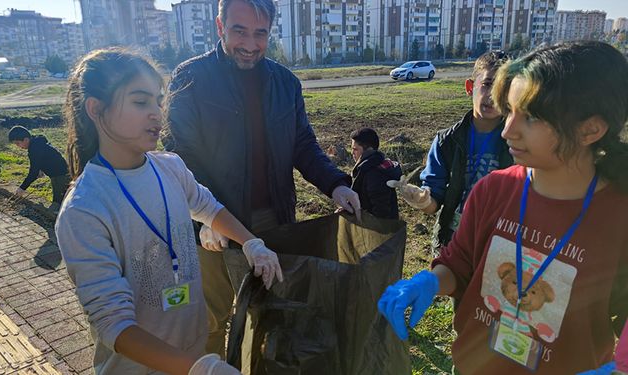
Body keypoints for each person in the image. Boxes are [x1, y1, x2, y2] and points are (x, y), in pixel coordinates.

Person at [378, 41, 628, 374]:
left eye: (533, 117)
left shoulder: (617, 214)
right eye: (510, 110)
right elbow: (461, 261)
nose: (508, 129)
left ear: (590, 129)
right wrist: (430, 282)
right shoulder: (493, 190)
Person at [55, 48, 284, 374]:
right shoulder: (85, 209)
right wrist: (201, 369)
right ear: (96, 109)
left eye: (158, 102)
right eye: (139, 101)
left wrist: (251, 243)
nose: (155, 113)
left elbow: (208, 207)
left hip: (190, 354)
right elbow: (113, 324)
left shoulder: (170, 167)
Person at [165, 0, 361, 357]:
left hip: (274, 221)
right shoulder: (189, 79)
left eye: (261, 34)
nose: (251, 44)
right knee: (211, 318)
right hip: (210, 228)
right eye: (240, 30)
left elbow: (303, 144)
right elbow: (181, 155)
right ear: (220, 26)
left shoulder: (285, 82)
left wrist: (336, 184)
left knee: (268, 311)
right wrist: (205, 218)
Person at [393, 51, 513, 252]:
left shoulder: (519, 142)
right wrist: (422, 200)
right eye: (487, 84)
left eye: (503, 88)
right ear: (470, 87)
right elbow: (434, 202)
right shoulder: (446, 141)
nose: (493, 95)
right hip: (452, 241)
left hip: (499, 244)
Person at [8, 125, 70, 213]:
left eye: (18, 143)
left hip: (61, 176)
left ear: (26, 140)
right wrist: (41, 169)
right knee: (62, 200)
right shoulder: (37, 143)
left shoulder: (35, 149)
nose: (18, 146)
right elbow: (44, 159)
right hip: (60, 173)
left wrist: (22, 188)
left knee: (56, 205)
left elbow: (33, 172)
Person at [349, 127, 402, 219]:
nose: (352, 152)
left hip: (376, 229)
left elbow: (381, 211)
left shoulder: (375, 174)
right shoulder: (368, 168)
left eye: (355, 149)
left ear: (368, 150)